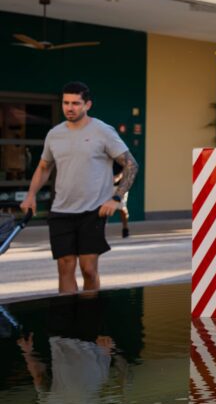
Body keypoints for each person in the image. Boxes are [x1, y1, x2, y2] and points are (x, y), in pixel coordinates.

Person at [20, 82, 138, 294]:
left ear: (88, 105)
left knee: (88, 269)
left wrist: (117, 198)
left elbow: (131, 165)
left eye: (76, 103)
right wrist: (30, 195)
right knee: (65, 267)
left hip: (92, 211)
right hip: (61, 211)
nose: (70, 108)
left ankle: (89, 320)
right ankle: (68, 322)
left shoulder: (103, 131)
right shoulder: (54, 134)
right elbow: (44, 167)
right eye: (66, 103)